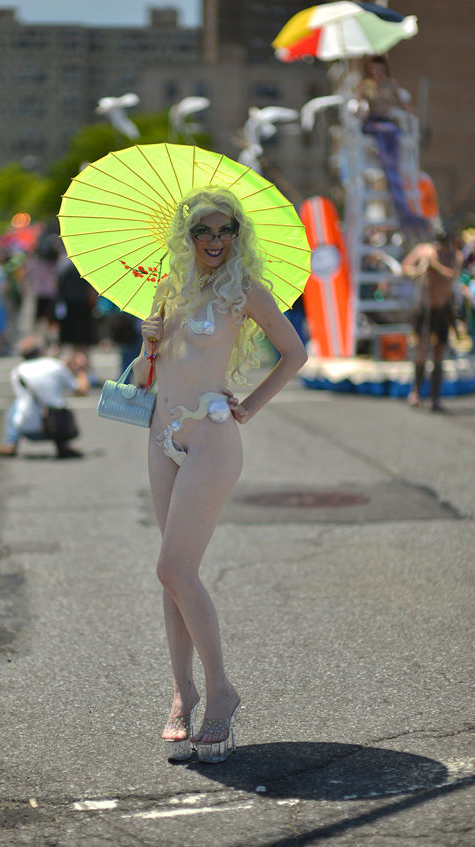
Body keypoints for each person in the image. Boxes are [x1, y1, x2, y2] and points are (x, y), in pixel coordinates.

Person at [130, 187, 307, 763]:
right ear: (187, 237)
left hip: (210, 440)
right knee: (174, 576)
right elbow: (143, 378)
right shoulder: (169, 287)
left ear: (236, 234)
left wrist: (249, 407)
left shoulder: (245, 291)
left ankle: (222, 693)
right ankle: (183, 693)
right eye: (202, 231)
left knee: (173, 566)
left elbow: (295, 353)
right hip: (162, 434)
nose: (213, 240)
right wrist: (148, 345)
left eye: (223, 229)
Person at [355, 55, 429, 238]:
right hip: (373, 123)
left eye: (380, 69)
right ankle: (387, 158)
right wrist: (360, 110)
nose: (377, 72)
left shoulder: (391, 84)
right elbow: (357, 105)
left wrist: (412, 110)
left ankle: (390, 160)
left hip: (387, 122)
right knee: (385, 131)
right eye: (374, 69)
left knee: (392, 132)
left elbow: (401, 105)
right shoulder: (366, 85)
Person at [0, 335, 89, 458]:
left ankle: (11, 442)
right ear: (41, 351)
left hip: (28, 430)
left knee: (19, 403)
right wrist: (81, 369)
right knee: (57, 402)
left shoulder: (17, 372)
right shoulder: (55, 365)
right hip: (57, 428)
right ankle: (62, 445)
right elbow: (81, 390)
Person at [402, 230, 463, 411]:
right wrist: (419, 270)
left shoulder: (454, 256)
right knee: (422, 349)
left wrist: (437, 268)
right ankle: (416, 391)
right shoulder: (423, 251)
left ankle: (435, 396)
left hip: (442, 310)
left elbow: (454, 275)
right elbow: (405, 268)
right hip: (425, 308)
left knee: (439, 351)